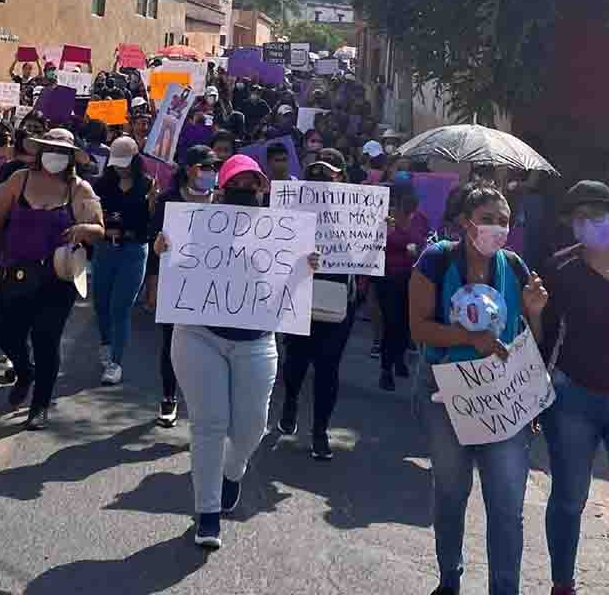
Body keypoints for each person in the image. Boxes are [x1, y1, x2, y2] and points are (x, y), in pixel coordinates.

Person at [156, 153, 319, 550]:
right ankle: (207, 513)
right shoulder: (196, 223)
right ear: (221, 188)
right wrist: (163, 246)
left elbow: (286, 280)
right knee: (209, 425)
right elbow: (175, 261)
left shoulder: (280, 230)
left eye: (253, 185)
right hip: (198, 336)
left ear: (263, 189)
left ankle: (234, 470)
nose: (246, 191)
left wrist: (306, 265)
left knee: (250, 428)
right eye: (237, 185)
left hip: (257, 340)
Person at [408, 180, 548, 595]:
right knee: (451, 492)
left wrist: (536, 313)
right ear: (466, 223)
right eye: (488, 220)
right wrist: (470, 339)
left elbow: (529, 341)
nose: (497, 229)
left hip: (502, 398)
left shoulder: (517, 267)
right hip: (445, 395)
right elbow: (419, 329)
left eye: (504, 221)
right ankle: (450, 577)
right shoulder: (435, 261)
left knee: (507, 505)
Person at [540, 181, 609, 595]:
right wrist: (532, 310)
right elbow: (539, 338)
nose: (587, 226)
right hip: (572, 398)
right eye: (578, 219)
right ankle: (563, 584)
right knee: (568, 498)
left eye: (596, 217)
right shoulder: (559, 268)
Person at [0, 128, 103, 429]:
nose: (55, 157)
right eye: (50, 150)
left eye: (63, 152)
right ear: (39, 152)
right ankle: (25, 372)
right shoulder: (18, 180)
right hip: (14, 272)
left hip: (56, 279)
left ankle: (39, 405)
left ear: (70, 158)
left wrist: (85, 230)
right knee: (4, 332)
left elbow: (99, 229)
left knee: (46, 341)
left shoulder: (80, 189)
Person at [279, 155, 358, 459]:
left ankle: (319, 431)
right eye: (315, 177)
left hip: (338, 300)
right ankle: (290, 400)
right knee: (296, 360)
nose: (321, 183)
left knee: (328, 367)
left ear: (340, 179)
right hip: (300, 294)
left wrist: (377, 234)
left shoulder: (356, 213)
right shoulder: (293, 211)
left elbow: (366, 258)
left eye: (328, 176)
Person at [146, 144, 219, 425]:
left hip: (212, 285)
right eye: (206, 167)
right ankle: (168, 397)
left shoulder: (224, 201)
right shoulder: (168, 201)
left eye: (214, 167)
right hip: (175, 282)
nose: (212, 173)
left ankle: (202, 405)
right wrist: (153, 277)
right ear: (190, 169)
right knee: (172, 344)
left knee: (210, 347)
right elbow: (154, 243)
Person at [92, 136, 153, 385]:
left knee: (120, 307)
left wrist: (154, 203)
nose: (121, 167)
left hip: (134, 250)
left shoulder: (148, 186)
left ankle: (116, 362)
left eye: (125, 163)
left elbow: (151, 225)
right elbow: (91, 211)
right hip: (105, 249)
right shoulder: (102, 185)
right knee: (101, 304)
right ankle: (106, 343)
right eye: (116, 163)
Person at [376, 180, 430, 392]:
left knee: (407, 323)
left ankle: (399, 359)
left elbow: (426, 241)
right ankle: (386, 369)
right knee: (392, 323)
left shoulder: (421, 219)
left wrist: (419, 249)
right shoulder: (386, 219)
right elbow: (377, 245)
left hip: (414, 278)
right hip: (389, 278)